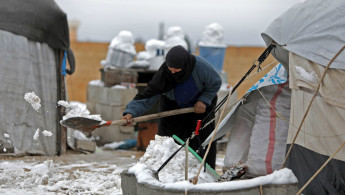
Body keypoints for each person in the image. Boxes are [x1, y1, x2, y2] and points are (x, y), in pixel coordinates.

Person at [122, 45, 222, 168]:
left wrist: (204, 100)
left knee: (204, 139)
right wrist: (131, 112)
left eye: (177, 69)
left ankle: (204, 172)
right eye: (170, 68)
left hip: (200, 106)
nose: (172, 72)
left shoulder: (200, 66)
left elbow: (216, 82)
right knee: (167, 142)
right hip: (173, 105)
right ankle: (168, 171)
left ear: (185, 65)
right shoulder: (164, 73)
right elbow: (148, 94)